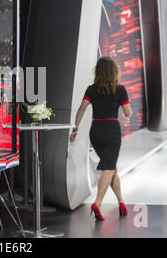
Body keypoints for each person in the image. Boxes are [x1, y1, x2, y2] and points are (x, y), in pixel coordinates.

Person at [70, 56, 132, 221]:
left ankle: (121, 202)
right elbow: (128, 113)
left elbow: (82, 108)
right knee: (109, 167)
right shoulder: (120, 90)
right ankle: (97, 203)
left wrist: (75, 129)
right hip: (112, 130)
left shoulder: (91, 89)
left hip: (96, 131)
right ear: (114, 72)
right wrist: (126, 108)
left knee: (111, 168)